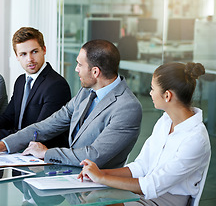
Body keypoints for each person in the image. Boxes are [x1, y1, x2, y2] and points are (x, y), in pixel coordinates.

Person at [0, 39, 142, 168]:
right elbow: (46, 126)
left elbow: (94, 155)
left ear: (95, 72)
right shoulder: (86, 92)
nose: (76, 69)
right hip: (71, 176)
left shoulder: (127, 107)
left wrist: (45, 153)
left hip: (100, 187)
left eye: (79, 65)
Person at [78, 62, 211, 206]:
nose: (150, 93)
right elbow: (141, 167)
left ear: (167, 95)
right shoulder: (165, 121)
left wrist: (101, 178)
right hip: (143, 191)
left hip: (167, 199)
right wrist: (100, 173)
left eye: (152, 89)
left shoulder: (196, 139)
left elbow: (153, 185)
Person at [0, 27, 71, 148]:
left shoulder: (56, 85)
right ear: (17, 56)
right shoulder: (21, 81)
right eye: (23, 54)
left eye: (34, 51)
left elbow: (39, 133)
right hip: (20, 152)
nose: (30, 59)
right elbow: (9, 117)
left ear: (44, 50)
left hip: (42, 156)